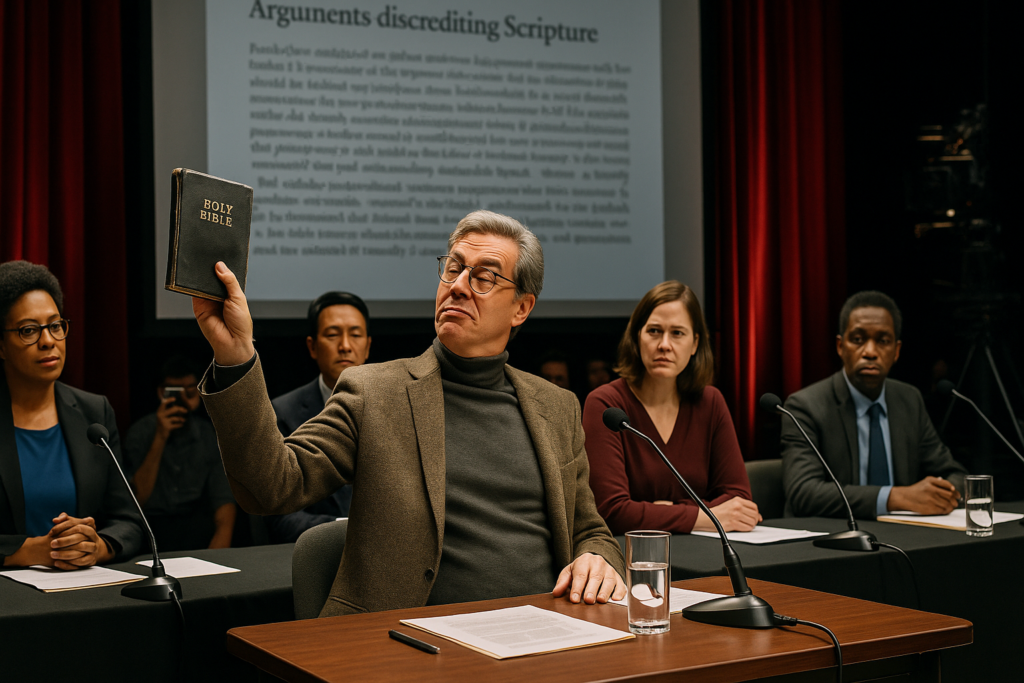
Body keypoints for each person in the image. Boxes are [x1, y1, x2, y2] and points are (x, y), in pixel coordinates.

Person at [192, 210, 626, 616]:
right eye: (453, 268)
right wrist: (236, 356)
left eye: (484, 277)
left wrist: (599, 556)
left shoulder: (557, 407)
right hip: (411, 639)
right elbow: (271, 486)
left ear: (521, 308)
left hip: (544, 631)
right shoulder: (375, 393)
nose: (458, 286)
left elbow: (589, 529)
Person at [584, 281, 759, 536]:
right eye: (654, 331)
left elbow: (739, 500)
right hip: (633, 554)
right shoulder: (605, 404)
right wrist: (707, 516)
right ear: (637, 337)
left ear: (695, 344)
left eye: (677, 333)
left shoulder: (710, 402)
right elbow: (612, 512)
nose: (664, 344)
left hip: (703, 550)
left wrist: (667, 510)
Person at [0, 260, 141, 568]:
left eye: (55, 326)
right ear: (1, 345)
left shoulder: (94, 412)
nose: (48, 341)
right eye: (28, 330)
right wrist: (28, 551)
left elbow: (130, 520)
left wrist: (97, 546)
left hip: (83, 587)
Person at [781, 291, 968, 519]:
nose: (870, 352)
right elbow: (803, 493)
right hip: (836, 535)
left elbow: (954, 474)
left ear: (896, 351)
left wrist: (941, 493)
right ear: (840, 346)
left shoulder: (909, 399)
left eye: (883, 341)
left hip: (905, 534)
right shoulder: (805, 406)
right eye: (858, 340)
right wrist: (896, 498)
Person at [267, 292, 372, 542]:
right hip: (316, 551)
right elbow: (279, 515)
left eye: (355, 335)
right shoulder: (283, 413)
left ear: (367, 346)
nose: (345, 345)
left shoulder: (396, 406)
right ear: (312, 347)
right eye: (333, 334)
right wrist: (344, 530)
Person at [123, 355, 236, 551]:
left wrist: (221, 542)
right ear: (161, 392)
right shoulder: (140, 432)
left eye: (189, 391)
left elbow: (223, 496)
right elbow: (135, 500)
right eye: (175, 392)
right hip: (150, 527)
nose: (182, 399)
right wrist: (160, 436)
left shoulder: (208, 434)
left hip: (194, 526)